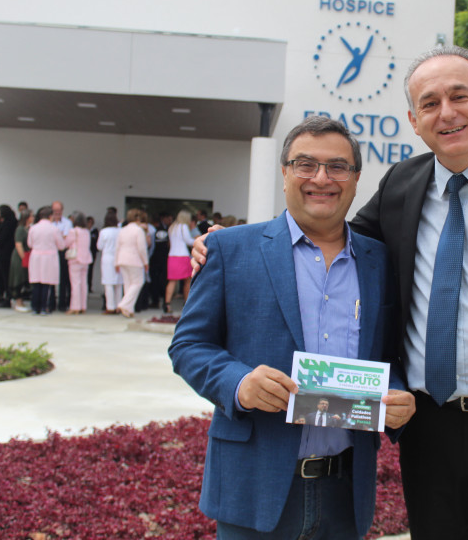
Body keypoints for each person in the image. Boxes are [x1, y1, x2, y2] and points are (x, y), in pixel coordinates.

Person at [193, 47, 468, 540]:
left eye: (459, 96)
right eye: (430, 103)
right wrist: (225, 244)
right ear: (413, 119)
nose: (446, 113)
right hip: (429, 432)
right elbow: (327, 230)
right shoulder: (401, 186)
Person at [169, 116, 415, 539]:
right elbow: (188, 345)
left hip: (345, 491)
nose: (321, 178)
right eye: (306, 164)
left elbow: (388, 353)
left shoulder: (380, 261)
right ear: (284, 173)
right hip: (253, 489)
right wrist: (238, 382)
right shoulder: (230, 249)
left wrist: (397, 398)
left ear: (356, 179)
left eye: (337, 166)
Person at [28, 206, 65, 315]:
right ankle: (44, 307)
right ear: (50, 216)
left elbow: (30, 243)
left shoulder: (33, 228)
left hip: (36, 256)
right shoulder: (54, 229)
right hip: (49, 257)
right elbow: (61, 246)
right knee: (46, 283)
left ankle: (35, 307)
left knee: (36, 282)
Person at [114, 208, 149, 318]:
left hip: (122, 259)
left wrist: (116, 262)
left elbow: (117, 247)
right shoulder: (138, 230)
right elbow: (142, 248)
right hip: (135, 260)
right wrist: (145, 262)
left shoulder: (122, 230)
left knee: (128, 284)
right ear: (137, 218)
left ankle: (128, 309)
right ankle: (124, 304)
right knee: (138, 282)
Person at [164, 210, 196, 314]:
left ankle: (167, 304)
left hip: (172, 256)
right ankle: (187, 304)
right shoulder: (184, 227)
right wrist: (197, 240)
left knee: (172, 281)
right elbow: (188, 241)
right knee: (187, 281)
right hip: (183, 256)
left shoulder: (172, 227)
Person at [64, 211, 93, 314]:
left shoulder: (73, 231)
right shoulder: (86, 232)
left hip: (75, 259)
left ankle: (75, 307)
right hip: (86, 259)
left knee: (75, 284)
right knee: (83, 284)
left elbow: (66, 243)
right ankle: (82, 306)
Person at [0, 205, 17, 307]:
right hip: (3, 253)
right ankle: (1, 296)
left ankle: (7, 298)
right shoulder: (7, 223)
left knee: (5, 276)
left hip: (5, 254)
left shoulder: (8, 224)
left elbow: (3, 238)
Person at [97, 210, 123, 314]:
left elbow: (99, 246)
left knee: (108, 283)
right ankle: (119, 306)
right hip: (119, 257)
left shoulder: (104, 232)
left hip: (107, 257)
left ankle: (110, 307)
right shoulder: (120, 231)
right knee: (119, 283)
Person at [50, 200, 73, 312]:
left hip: (62, 252)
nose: (57, 212)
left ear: (62, 211)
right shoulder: (48, 222)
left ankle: (63, 304)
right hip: (51, 252)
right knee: (50, 278)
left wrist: (56, 238)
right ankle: (51, 303)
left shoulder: (67, 222)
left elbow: (66, 237)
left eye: (59, 210)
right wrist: (59, 237)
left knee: (63, 279)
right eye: (55, 210)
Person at [9, 209, 33, 312]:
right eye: (31, 216)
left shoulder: (29, 228)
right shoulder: (20, 229)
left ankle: (22, 301)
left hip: (28, 255)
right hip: (20, 257)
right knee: (18, 277)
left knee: (25, 278)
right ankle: (18, 301)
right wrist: (24, 258)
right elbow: (18, 245)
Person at [149, 211, 171, 308]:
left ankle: (157, 300)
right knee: (159, 281)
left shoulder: (156, 231)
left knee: (159, 281)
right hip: (160, 258)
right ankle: (159, 301)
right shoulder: (167, 230)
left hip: (159, 258)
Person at [86, 216, 99, 293]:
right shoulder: (84, 230)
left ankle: (89, 286)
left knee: (90, 270)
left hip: (92, 252)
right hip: (85, 252)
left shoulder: (94, 231)